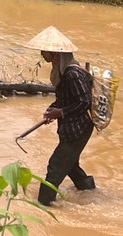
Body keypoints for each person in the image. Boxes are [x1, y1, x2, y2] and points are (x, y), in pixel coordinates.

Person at [26, 26, 96, 206]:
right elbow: (64, 98)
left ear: (56, 54)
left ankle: (43, 204)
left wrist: (61, 112)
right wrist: (53, 110)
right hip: (71, 127)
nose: (42, 54)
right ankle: (90, 192)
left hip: (78, 129)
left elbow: (84, 101)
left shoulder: (72, 73)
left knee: (55, 166)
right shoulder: (62, 72)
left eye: (44, 51)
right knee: (71, 165)